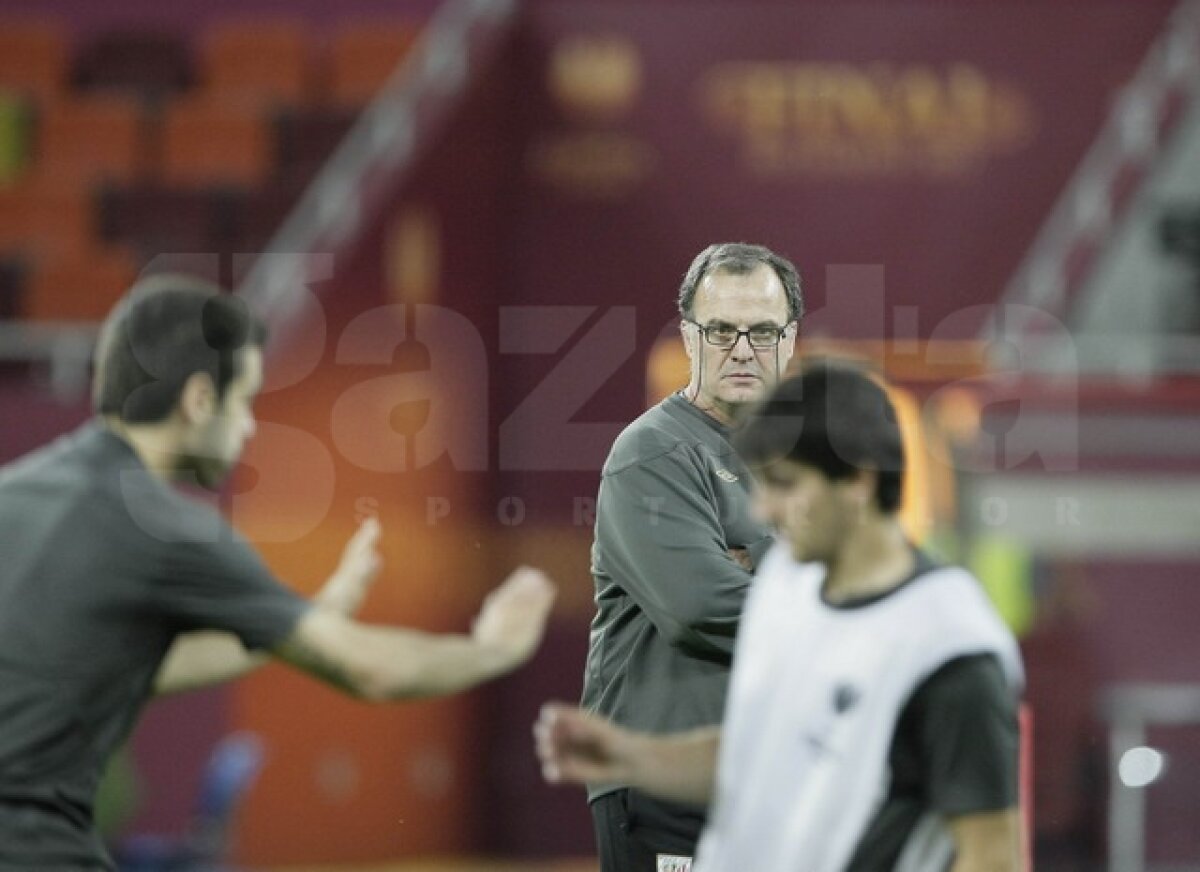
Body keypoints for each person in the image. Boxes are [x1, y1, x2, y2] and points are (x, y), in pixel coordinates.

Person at [0, 277, 556, 871]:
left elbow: (122, 669)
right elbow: (371, 670)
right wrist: (493, 649)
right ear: (197, 401)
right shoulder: (169, 528)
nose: (248, 427)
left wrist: (312, 614)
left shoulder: (18, 493)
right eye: (243, 400)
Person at [540, 362, 1024, 872]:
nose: (765, 510)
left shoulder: (949, 644)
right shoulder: (783, 589)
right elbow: (760, 753)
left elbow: (990, 853)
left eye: (785, 484)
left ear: (857, 480)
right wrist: (631, 756)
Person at [581, 243, 803, 871]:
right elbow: (700, 606)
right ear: (688, 336)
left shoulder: (803, 464)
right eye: (720, 330)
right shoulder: (652, 453)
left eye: (761, 331)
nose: (741, 349)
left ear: (790, 340)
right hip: (668, 789)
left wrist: (758, 567)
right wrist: (835, 613)